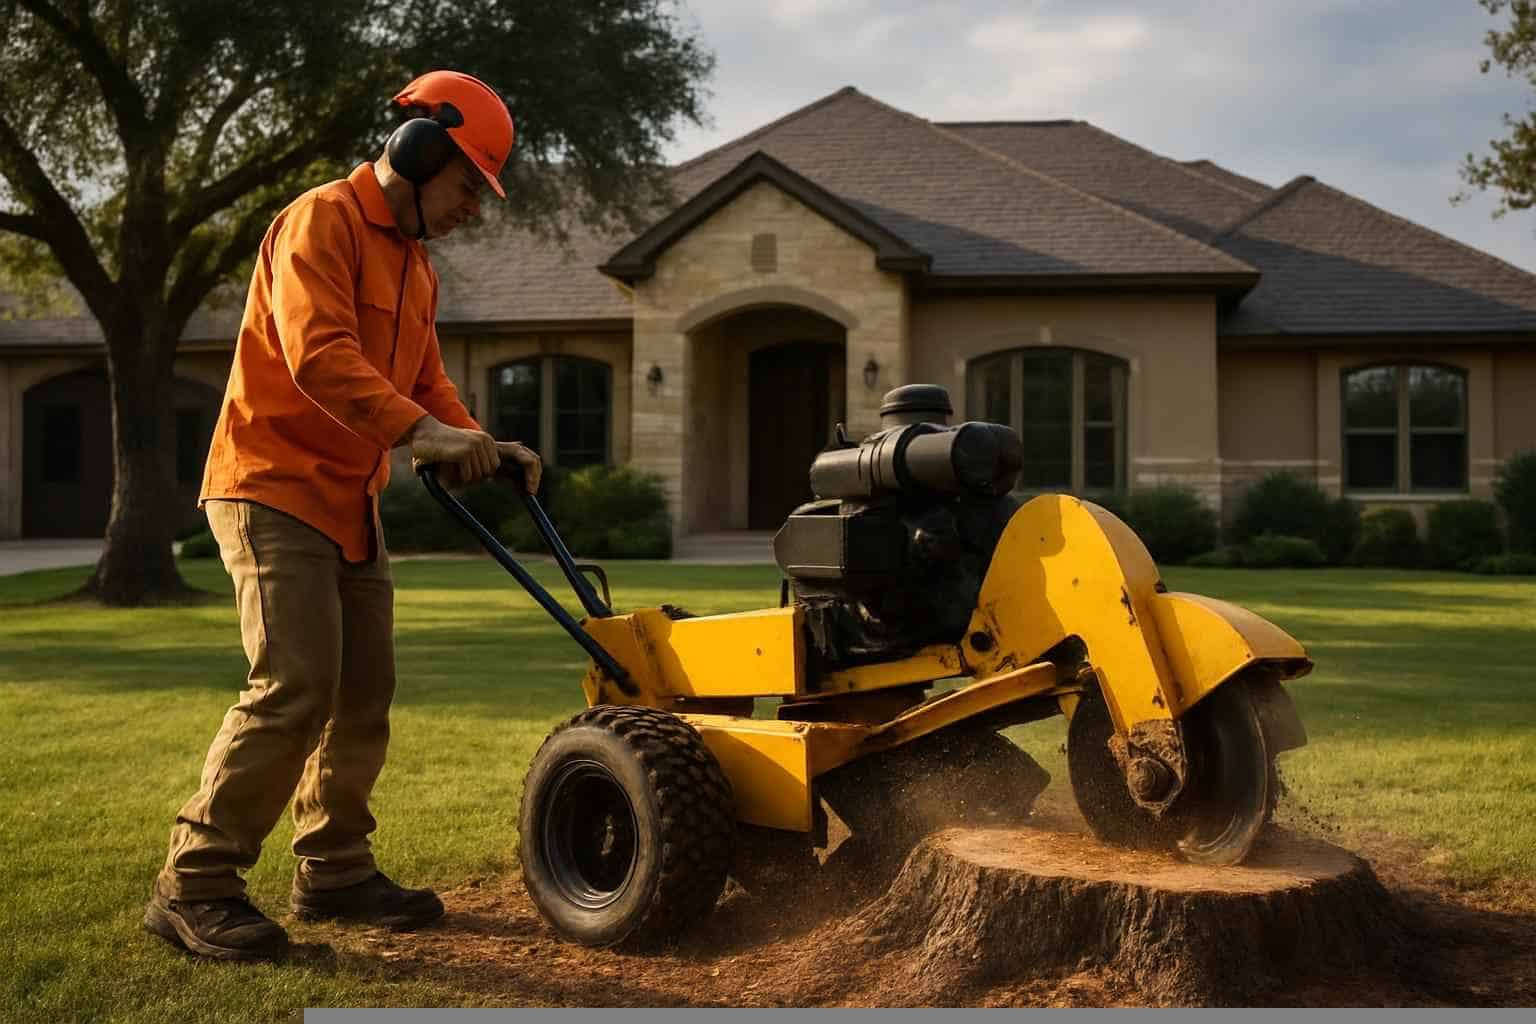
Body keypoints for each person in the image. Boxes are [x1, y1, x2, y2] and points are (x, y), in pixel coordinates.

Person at [143, 70, 540, 962]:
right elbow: (317, 356)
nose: (475, 206)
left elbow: (426, 382)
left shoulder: (416, 269)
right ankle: (194, 885)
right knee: (295, 688)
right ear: (418, 149)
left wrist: (481, 440)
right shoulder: (318, 220)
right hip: (271, 484)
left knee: (363, 694)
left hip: (351, 501)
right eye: (468, 183)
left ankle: (333, 870)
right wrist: (420, 434)